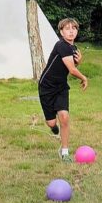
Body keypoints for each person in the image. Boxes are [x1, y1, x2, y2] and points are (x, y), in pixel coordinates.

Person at [38, 18, 87, 161]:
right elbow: (72, 70)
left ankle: (64, 152)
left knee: (64, 117)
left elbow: (69, 67)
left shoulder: (74, 48)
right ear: (61, 32)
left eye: (74, 28)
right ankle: (53, 127)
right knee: (52, 123)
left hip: (61, 87)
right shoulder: (61, 45)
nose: (71, 31)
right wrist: (84, 78)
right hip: (46, 87)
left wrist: (78, 62)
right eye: (67, 28)